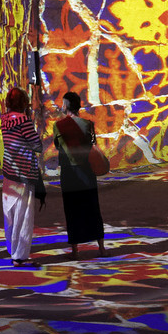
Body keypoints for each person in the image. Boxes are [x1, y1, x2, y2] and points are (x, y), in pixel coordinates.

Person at [54, 91, 106, 258]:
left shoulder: (58, 126)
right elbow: (93, 144)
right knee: (93, 208)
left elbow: (58, 146)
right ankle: (101, 248)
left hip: (69, 172)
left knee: (72, 210)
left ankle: (75, 250)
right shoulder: (88, 124)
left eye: (63, 103)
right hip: (86, 170)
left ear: (66, 106)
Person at [0, 88, 45, 266]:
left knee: (9, 213)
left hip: (9, 170)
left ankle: (12, 249)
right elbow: (37, 145)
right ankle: (19, 256)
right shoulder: (24, 121)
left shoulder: (4, 119)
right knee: (24, 214)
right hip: (24, 172)